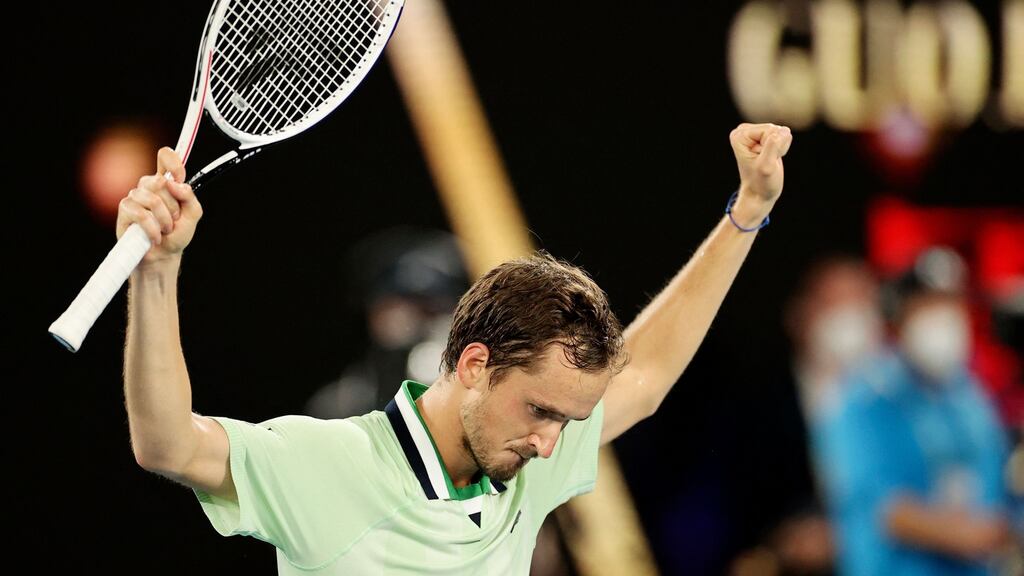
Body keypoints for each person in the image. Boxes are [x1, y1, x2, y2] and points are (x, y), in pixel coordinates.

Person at [119, 123, 793, 574]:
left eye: (568, 420)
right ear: (476, 363)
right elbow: (167, 444)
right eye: (541, 411)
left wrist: (750, 210)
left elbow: (643, 374)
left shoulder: (530, 456)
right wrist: (156, 272)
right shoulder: (326, 462)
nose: (551, 443)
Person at [822, 248, 1012, 576]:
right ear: (901, 315)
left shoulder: (971, 394)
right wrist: (966, 534)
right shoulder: (867, 397)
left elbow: (995, 487)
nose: (944, 317)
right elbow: (882, 507)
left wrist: (1003, 527)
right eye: (928, 305)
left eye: (952, 304)